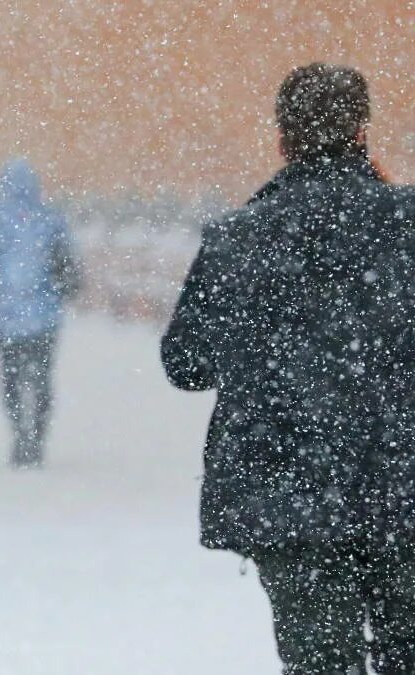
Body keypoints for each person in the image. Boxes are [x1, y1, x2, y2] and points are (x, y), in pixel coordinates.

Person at [162, 63, 415, 674]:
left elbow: (187, 362)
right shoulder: (406, 226)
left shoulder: (240, 237)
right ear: (362, 134)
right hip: (403, 487)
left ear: (283, 139)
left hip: (288, 495)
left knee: (319, 661)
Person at [0, 159, 79, 468]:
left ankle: (20, 435)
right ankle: (38, 437)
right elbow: (68, 265)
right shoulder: (50, 219)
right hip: (46, 317)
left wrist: (3, 287)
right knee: (42, 379)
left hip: (7, 320)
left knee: (12, 381)